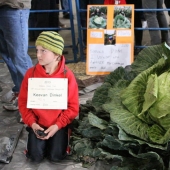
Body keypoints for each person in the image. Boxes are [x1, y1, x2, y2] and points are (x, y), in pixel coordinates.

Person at [18, 31, 79, 162]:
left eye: (43, 51)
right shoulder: (31, 74)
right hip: (37, 124)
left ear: (57, 54)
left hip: (58, 124)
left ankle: (63, 136)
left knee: (56, 156)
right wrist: (33, 124)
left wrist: (58, 125)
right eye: (37, 50)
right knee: (35, 156)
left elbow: (73, 108)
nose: (38, 55)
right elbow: (23, 102)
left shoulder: (67, 76)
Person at [0, 0, 33, 110]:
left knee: (19, 55)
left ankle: (32, 101)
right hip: (4, 6)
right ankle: (21, 91)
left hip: (13, 5)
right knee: (7, 55)